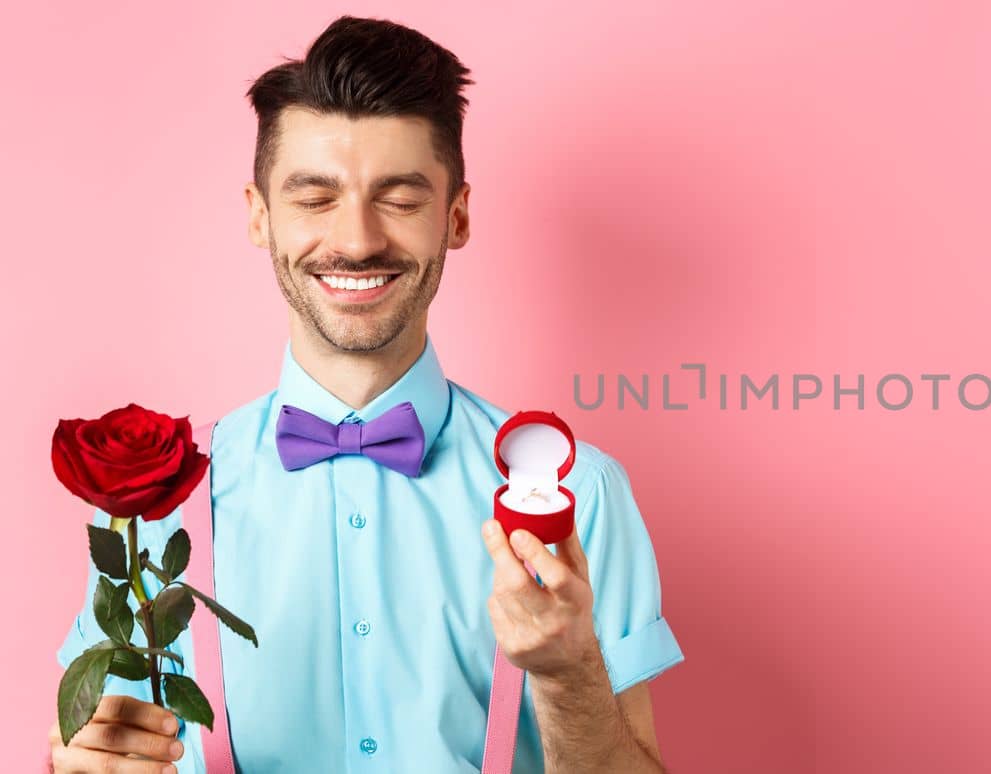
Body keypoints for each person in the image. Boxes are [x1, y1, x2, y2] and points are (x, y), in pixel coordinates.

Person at [46, 15, 684, 774]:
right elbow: (105, 748)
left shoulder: (580, 494)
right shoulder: (150, 501)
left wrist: (568, 674)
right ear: (259, 214)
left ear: (457, 215)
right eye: (315, 196)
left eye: (400, 197)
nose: (355, 239)